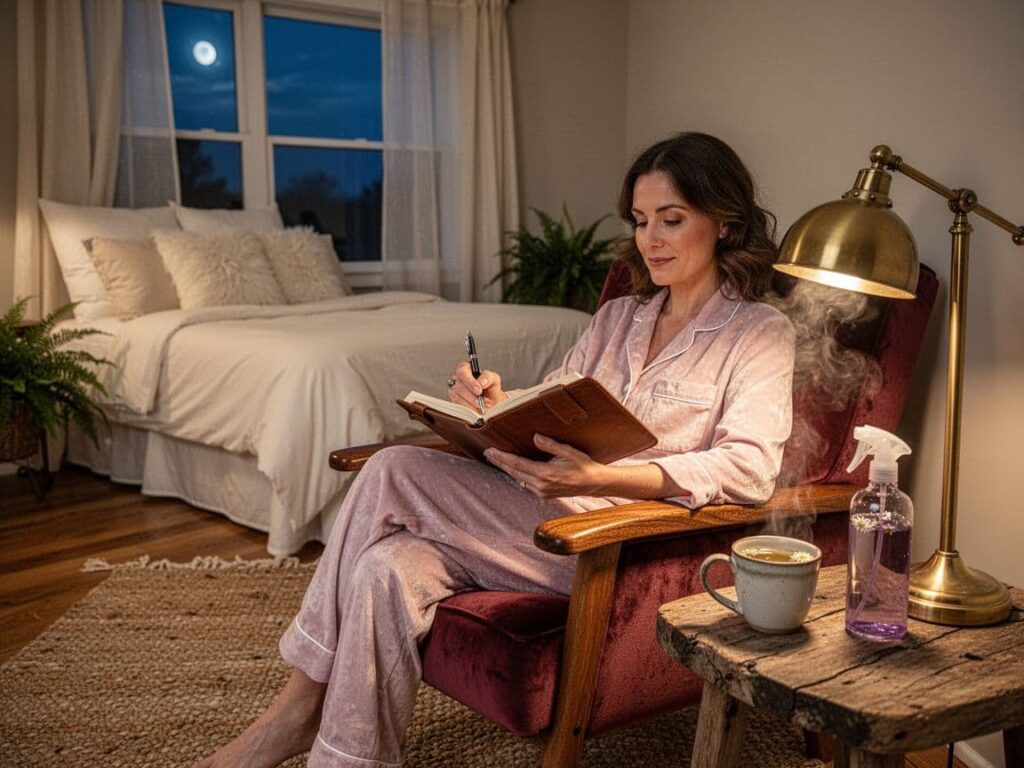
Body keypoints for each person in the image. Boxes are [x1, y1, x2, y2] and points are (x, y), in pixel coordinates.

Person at [193, 132, 795, 768]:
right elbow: (564, 402)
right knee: (386, 567)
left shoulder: (758, 332)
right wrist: (496, 404)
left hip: (625, 548)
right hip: (538, 526)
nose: (651, 240)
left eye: (672, 220)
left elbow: (750, 469)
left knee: (396, 467)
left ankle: (292, 713)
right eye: (642, 221)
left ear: (724, 224)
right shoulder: (620, 318)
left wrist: (597, 479)